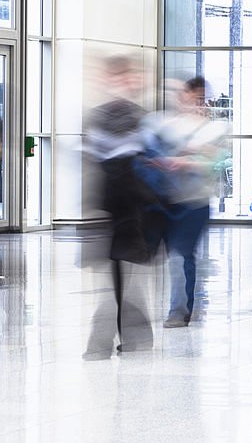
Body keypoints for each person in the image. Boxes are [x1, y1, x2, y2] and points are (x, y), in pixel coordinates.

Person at [82, 55, 158, 359]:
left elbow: (142, 161)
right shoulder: (99, 116)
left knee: (123, 275)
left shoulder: (141, 118)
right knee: (117, 276)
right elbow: (94, 159)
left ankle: (105, 342)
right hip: (111, 209)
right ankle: (131, 338)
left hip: (133, 210)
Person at [138, 77, 228, 328]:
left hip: (194, 202)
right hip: (165, 201)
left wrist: (185, 161)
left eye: (199, 97)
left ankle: (179, 310)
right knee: (163, 255)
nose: (190, 100)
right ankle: (172, 308)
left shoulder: (215, 128)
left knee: (180, 255)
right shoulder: (161, 124)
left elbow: (216, 162)